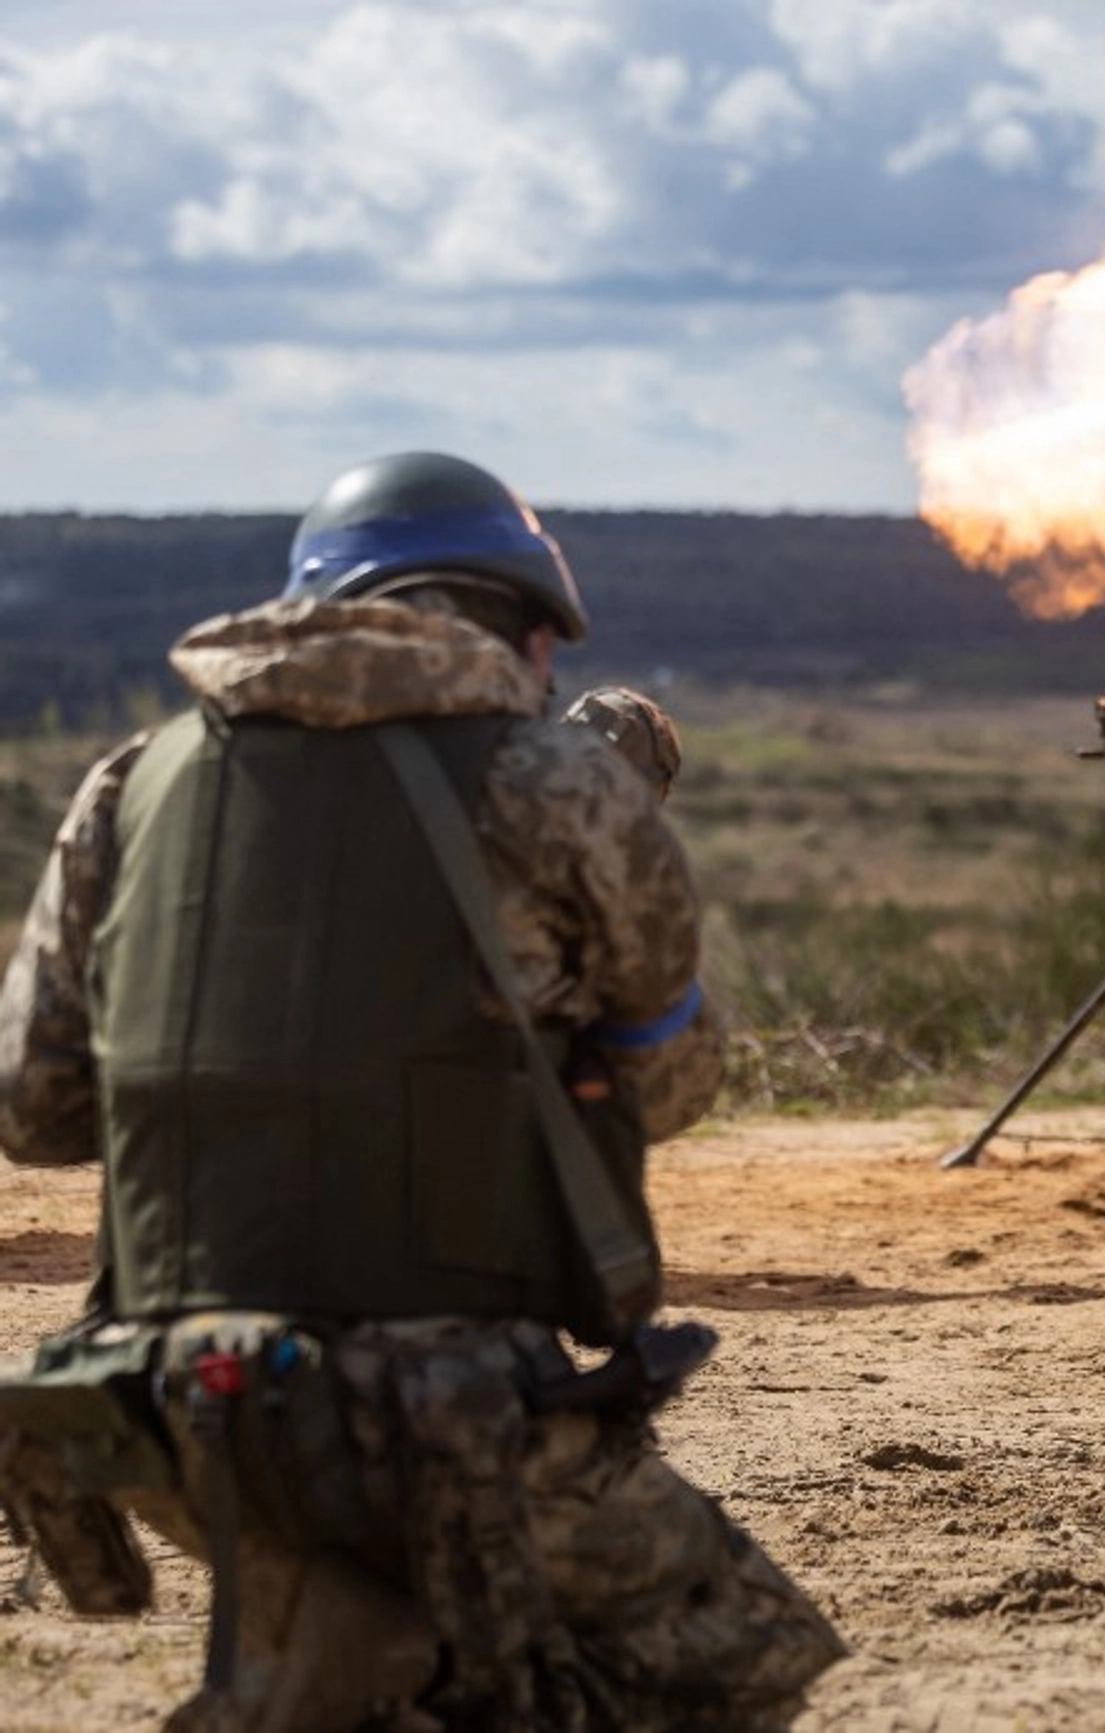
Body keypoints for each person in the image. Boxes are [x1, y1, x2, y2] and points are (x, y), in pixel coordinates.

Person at [0, 452, 844, 1728]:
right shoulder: (554, 785)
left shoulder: (131, 782)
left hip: (168, 1416)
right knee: (741, 1653)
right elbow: (671, 1081)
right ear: (521, 624)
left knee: (372, 1636)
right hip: (444, 1414)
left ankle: (341, 1656)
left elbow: (34, 1108)